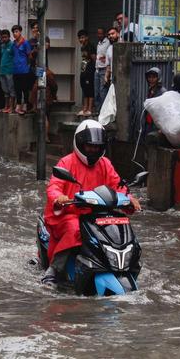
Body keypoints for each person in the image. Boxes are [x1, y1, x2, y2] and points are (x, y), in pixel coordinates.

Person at [41, 119, 141, 288]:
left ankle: (127, 265)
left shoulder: (105, 164)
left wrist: (128, 198)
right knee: (75, 229)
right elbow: (54, 187)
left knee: (123, 228)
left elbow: (118, 186)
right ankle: (54, 272)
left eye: (97, 146)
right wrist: (60, 198)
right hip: (70, 213)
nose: (93, 150)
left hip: (98, 215)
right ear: (80, 144)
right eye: (89, 146)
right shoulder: (66, 162)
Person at [11, 24, 33, 115]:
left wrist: (27, 67)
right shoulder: (13, 44)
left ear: (20, 32)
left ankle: (25, 105)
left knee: (25, 89)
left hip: (24, 70)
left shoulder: (25, 43)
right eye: (13, 32)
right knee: (17, 89)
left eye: (16, 32)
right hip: (15, 70)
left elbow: (30, 56)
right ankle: (18, 105)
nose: (15, 34)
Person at [77, 29, 96, 116]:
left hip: (90, 71)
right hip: (83, 70)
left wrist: (92, 70)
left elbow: (94, 59)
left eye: (83, 37)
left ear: (87, 37)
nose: (81, 40)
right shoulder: (83, 47)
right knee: (84, 89)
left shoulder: (90, 46)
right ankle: (84, 108)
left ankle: (89, 109)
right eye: (80, 38)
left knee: (90, 89)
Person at [144, 67, 167, 134]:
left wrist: (162, 128)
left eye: (154, 77)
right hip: (149, 123)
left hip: (157, 126)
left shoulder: (163, 92)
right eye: (149, 77)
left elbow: (165, 111)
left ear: (158, 79)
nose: (151, 80)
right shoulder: (150, 90)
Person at [0, 29, 16, 113]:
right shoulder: (2, 46)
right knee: (5, 90)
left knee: (11, 89)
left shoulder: (12, 45)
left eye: (5, 37)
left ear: (9, 37)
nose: (4, 39)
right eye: (2, 37)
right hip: (2, 71)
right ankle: (6, 106)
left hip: (10, 71)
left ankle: (12, 107)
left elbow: (15, 57)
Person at [94, 28, 110, 113]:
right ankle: (98, 109)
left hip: (104, 69)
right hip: (97, 69)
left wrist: (105, 58)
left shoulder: (107, 42)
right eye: (98, 33)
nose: (99, 35)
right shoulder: (99, 43)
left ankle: (103, 111)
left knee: (102, 91)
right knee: (96, 91)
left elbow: (109, 55)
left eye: (101, 33)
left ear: (104, 34)